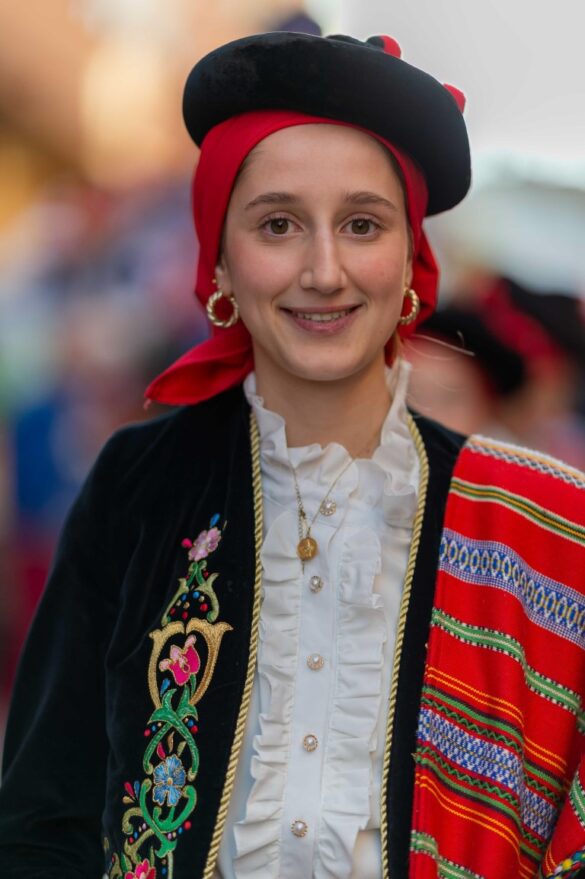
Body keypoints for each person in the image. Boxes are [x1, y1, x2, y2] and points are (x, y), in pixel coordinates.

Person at [0, 31, 583, 879]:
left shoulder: (546, 529)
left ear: (410, 261)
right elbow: (41, 817)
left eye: (361, 224)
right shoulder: (139, 483)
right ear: (219, 260)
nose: (323, 269)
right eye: (277, 224)